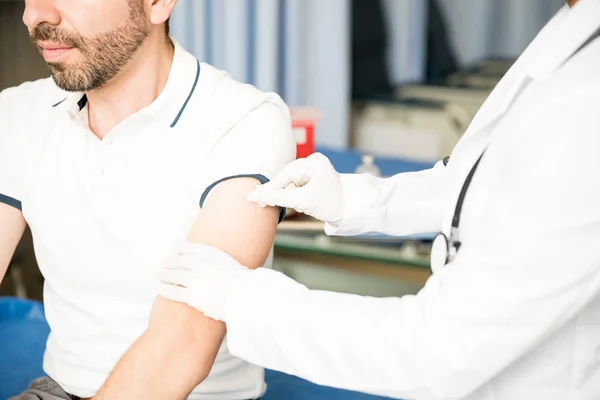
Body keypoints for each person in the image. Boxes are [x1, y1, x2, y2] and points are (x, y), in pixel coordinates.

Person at [157, 1, 600, 399]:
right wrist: (355, 199)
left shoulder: (583, 102)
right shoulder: (573, 31)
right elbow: (490, 184)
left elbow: (438, 351)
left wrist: (246, 300)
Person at [0, 0, 295, 399]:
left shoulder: (244, 120)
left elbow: (182, 341)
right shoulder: (19, 112)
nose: (34, 16)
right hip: (60, 389)